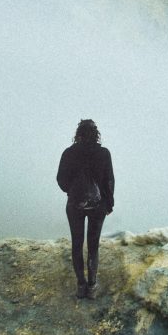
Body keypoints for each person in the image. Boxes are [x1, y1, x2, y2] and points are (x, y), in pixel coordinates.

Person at [55, 118, 114, 298]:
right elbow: (109, 180)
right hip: (98, 205)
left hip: (75, 204)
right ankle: (92, 286)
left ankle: (81, 285)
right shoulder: (104, 153)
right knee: (93, 245)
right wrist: (109, 202)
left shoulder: (69, 153)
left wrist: (72, 191)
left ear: (78, 134)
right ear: (96, 134)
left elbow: (60, 179)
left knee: (77, 244)